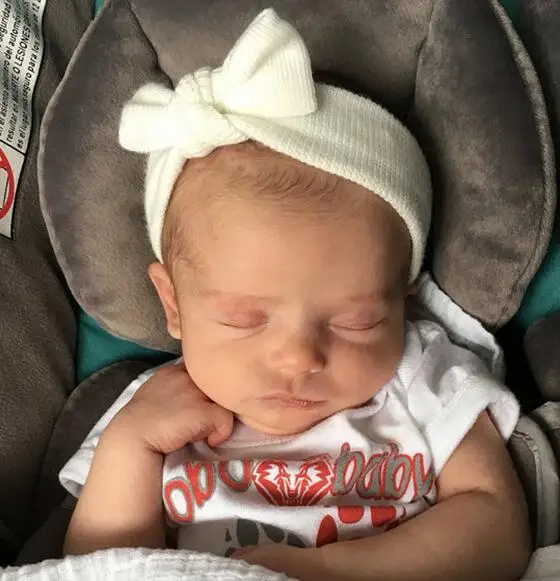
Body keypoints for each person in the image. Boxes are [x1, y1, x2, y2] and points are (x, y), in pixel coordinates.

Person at [59, 8, 531, 581]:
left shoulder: (422, 379)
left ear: (403, 299)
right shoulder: (153, 411)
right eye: (243, 319)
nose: (298, 358)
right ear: (174, 305)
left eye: (357, 321)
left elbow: (498, 527)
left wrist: (329, 570)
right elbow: (98, 568)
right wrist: (131, 446)